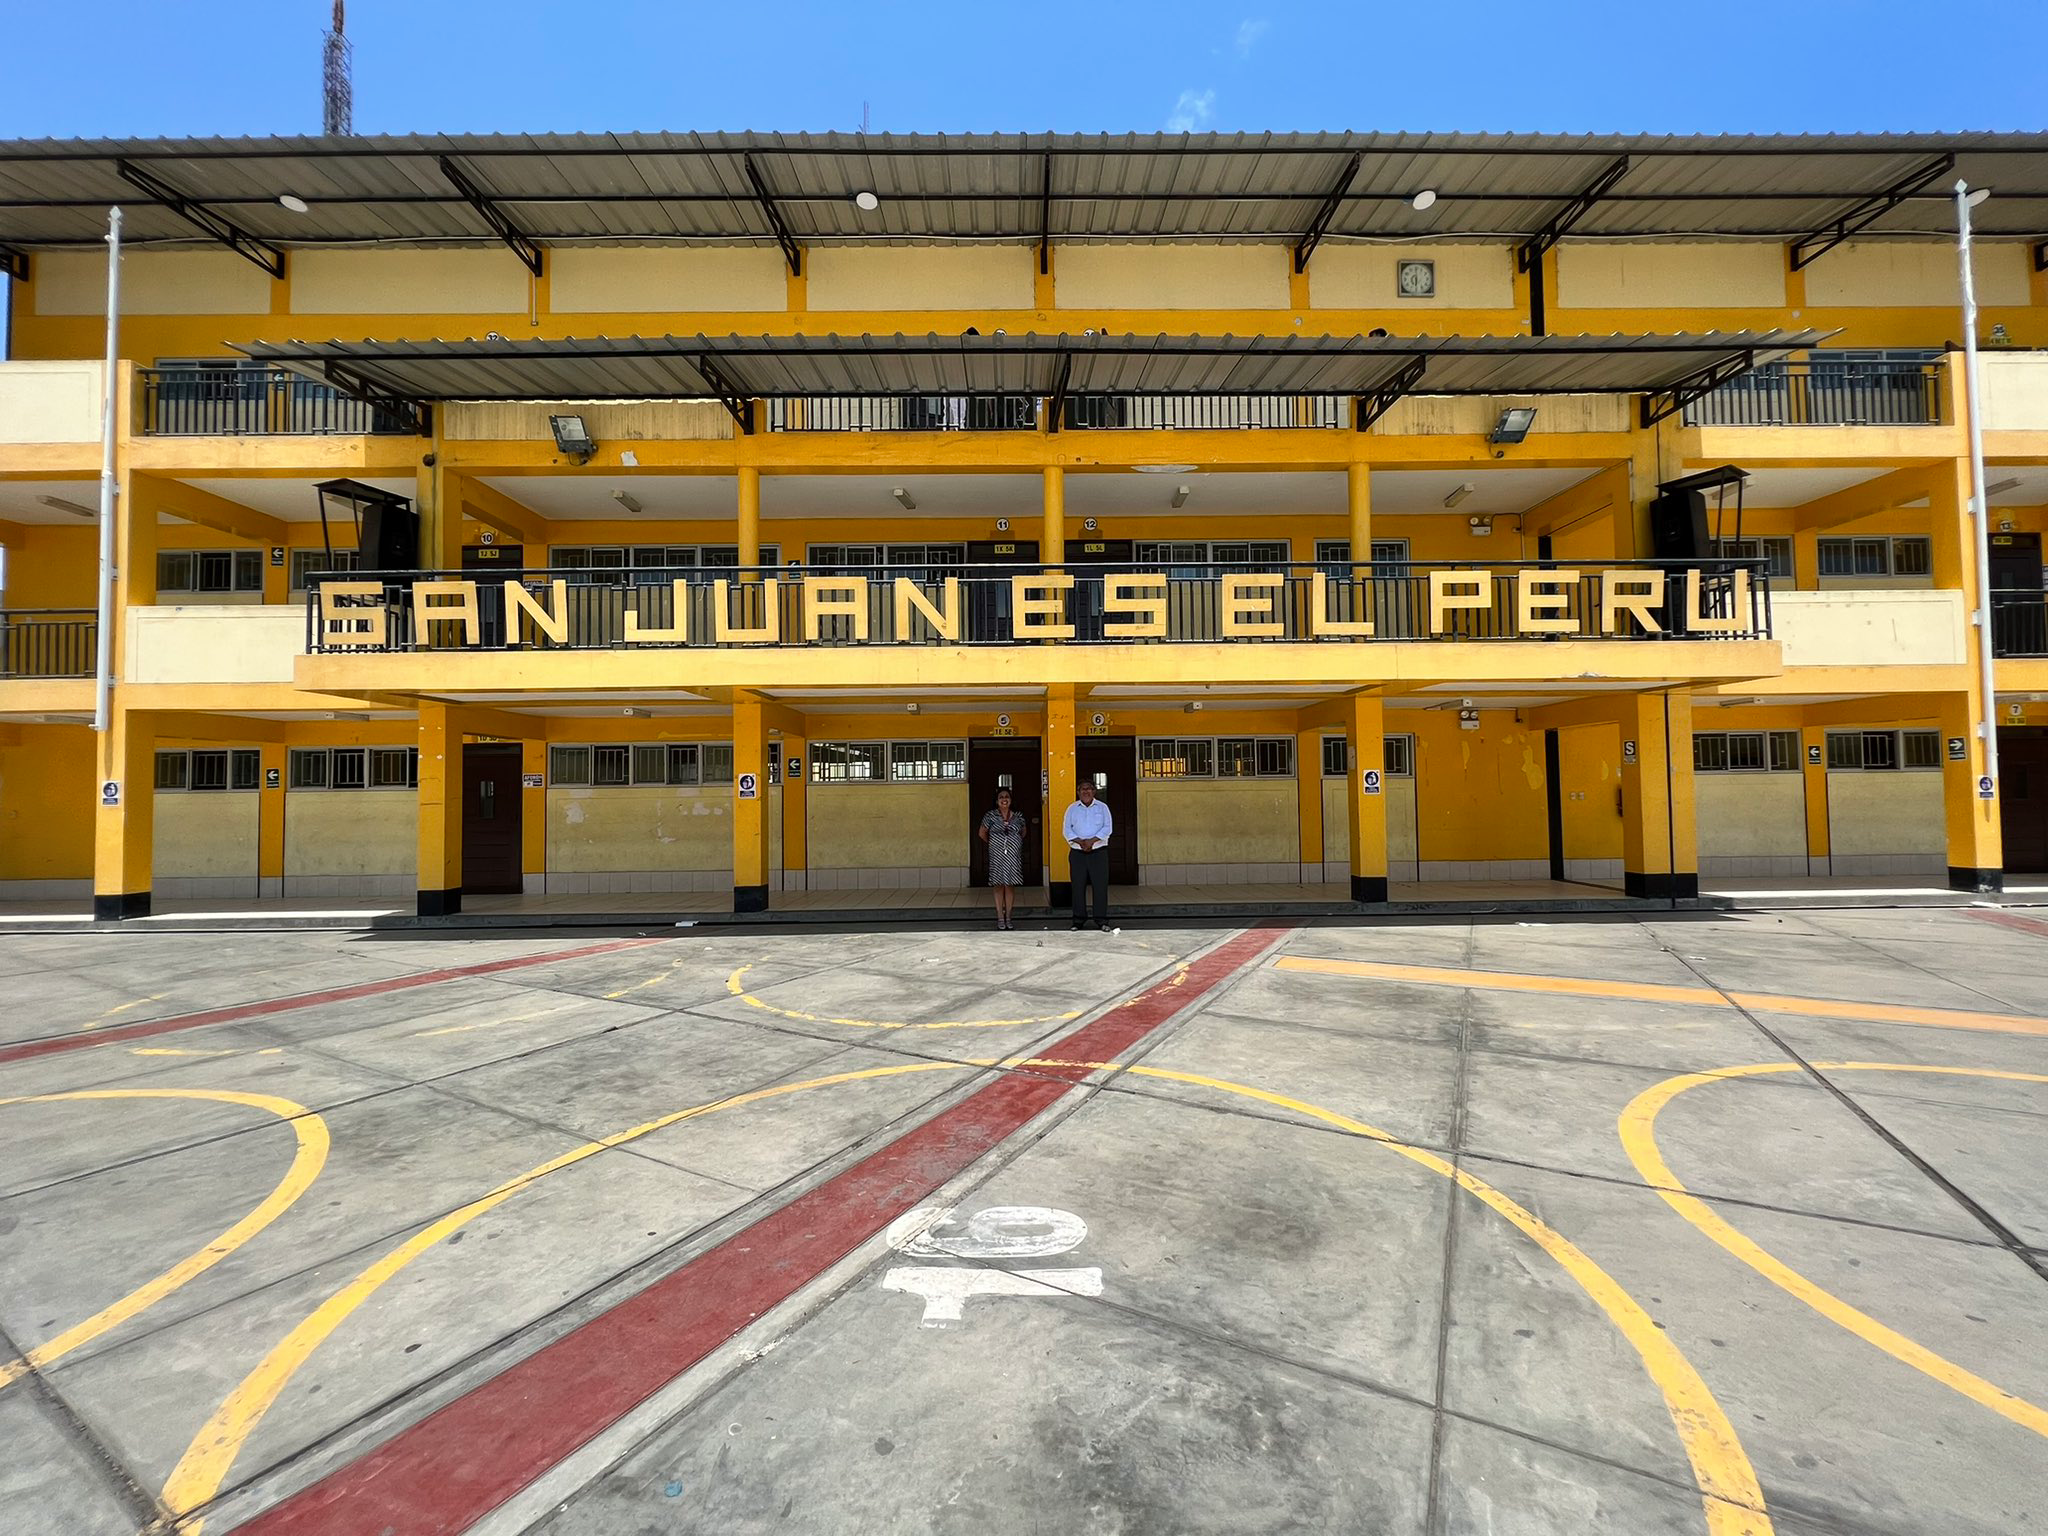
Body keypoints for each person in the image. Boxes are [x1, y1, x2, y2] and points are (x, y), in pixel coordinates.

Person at [1062, 778, 1112, 930]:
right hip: (1078, 853)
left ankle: (1101, 920)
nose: (1086, 791)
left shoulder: (1102, 808)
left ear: (1094, 791)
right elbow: (1067, 830)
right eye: (1082, 789)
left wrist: (1091, 841)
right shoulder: (1072, 808)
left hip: (1099, 852)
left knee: (1100, 886)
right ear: (1078, 792)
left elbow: (1107, 828)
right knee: (1077, 886)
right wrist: (1081, 842)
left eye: (1089, 788)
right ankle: (1078, 920)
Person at [978, 786, 1028, 930]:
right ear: (997, 801)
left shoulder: (1018, 816)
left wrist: (1013, 843)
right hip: (997, 854)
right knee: (999, 884)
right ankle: (1000, 916)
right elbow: (982, 833)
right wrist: (995, 843)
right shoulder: (990, 816)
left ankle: (1009, 917)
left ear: (1011, 800)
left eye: (1007, 797)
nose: (1004, 799)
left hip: (1013, 855)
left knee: (1010, 884)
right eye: (1001, 797)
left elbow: (1023, 832)